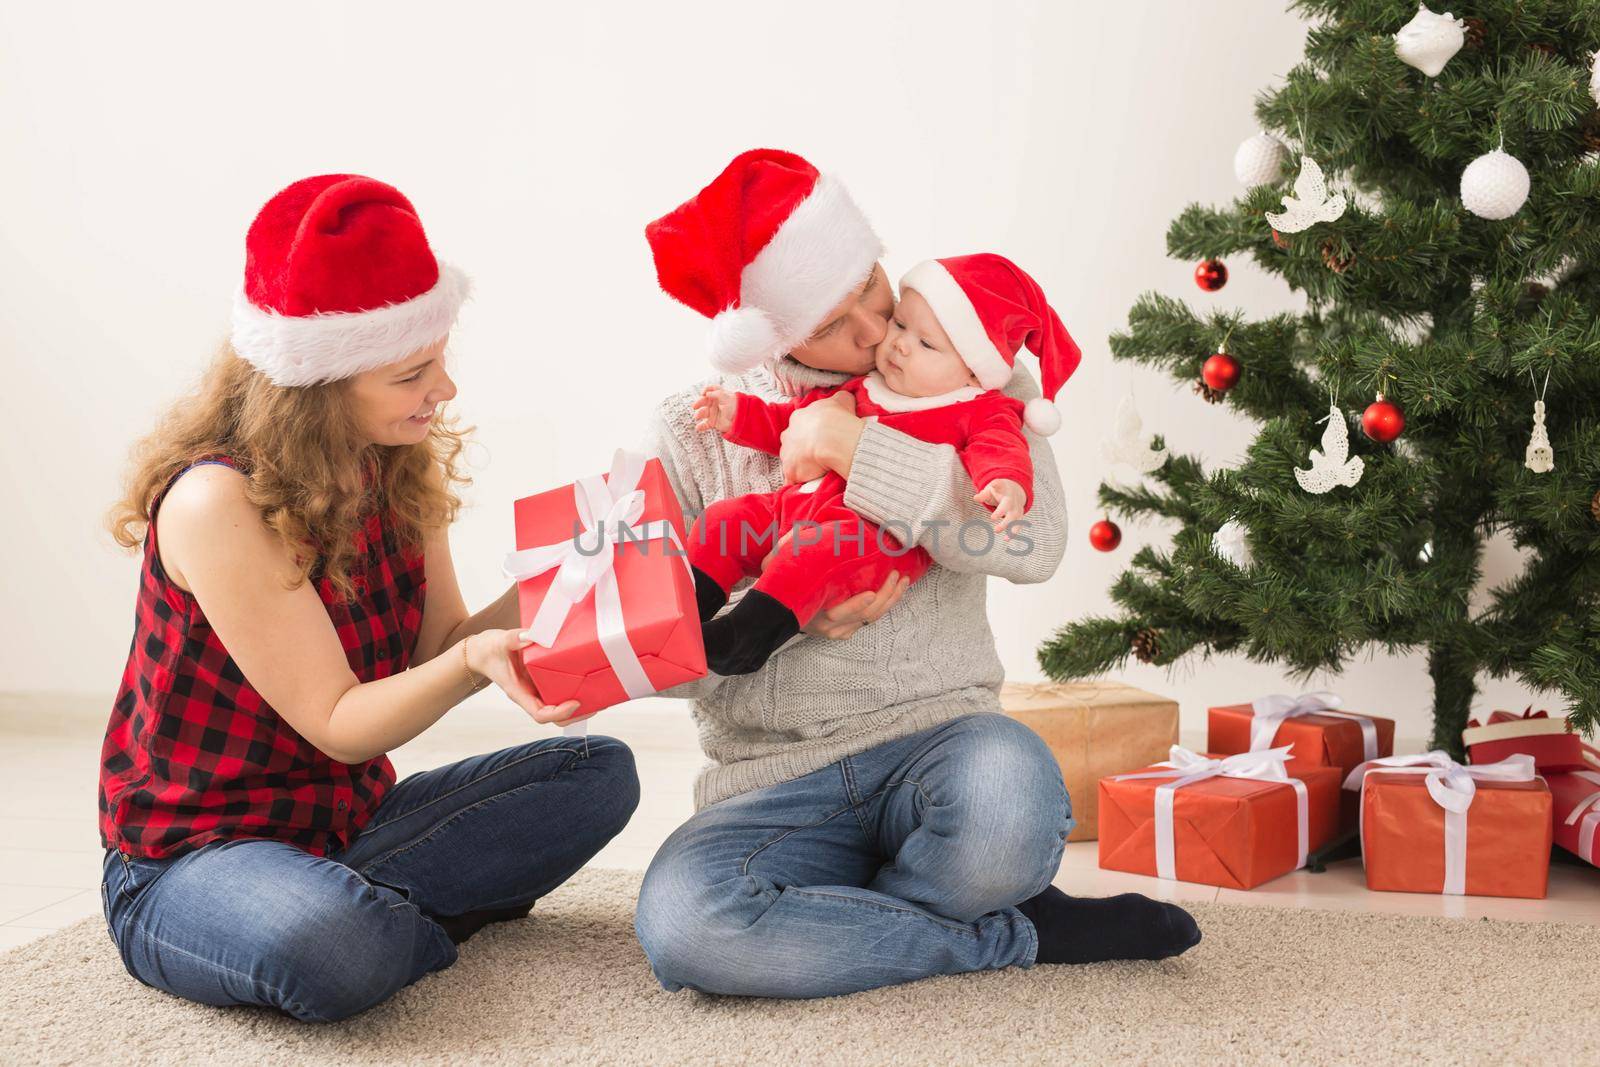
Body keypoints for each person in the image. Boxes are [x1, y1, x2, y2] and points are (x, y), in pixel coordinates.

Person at [633, 148, 1201, 999]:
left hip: (945, 745)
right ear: (772, 334)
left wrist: (863, 452)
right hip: (771, 784)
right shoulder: (690, 428)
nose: (874, 333)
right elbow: (656, 654)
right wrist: (791, 616)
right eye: (833, 324)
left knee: (1010, 810)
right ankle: (1010, 932)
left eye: (871, 286)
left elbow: (1032, 545)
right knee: (688, 930)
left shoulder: (959, 359)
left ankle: (851, 924)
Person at [98, 174, 639, 1022]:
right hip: (190, 857)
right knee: (327, 944)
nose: (445, 390)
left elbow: (442, 645)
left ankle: (376, 908)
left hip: (348, 826)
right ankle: (386, 918)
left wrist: (572, 567)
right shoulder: (216, 502)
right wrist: (471, 662)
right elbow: (341, 719)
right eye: (413, 372)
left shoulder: (391, 463)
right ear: (318, 384)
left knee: (599, 772)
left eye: (439, 360)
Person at [683, 252, 1080, 675]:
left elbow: (1001, 452)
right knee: (725, 522)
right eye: (903, 325)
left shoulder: (983, 405)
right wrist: (737, 415)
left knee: (815, 555)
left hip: (870, 539)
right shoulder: (868, 386)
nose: (893, 340)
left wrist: (1006, 483)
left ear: (972, 371)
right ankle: (686, 611)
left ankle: (747, 637)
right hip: (794, 509)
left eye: (926, 344)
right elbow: (789, 424)